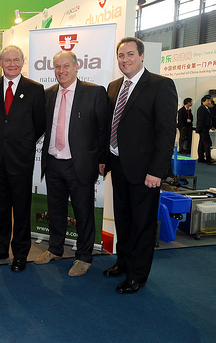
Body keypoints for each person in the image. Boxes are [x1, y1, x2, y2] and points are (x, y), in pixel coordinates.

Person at [104, 37, 177, 294]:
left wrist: (157, 171)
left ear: (142, 56)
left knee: (143, 225)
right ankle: (123, 263)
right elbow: (110, 127)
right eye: (121, 55)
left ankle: (138, 275)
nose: (125, 59)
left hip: (146, 172)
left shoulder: (160, 85)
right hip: (118, 166)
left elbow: (166, 133)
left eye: (130, 54)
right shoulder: (114, 87)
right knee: (123, 220)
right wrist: (105, 160)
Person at [34, 51, 109, 276]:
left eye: (66, 66)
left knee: (83, 213)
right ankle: (55, 249)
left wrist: (102, 159)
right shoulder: (47, 95)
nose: (61, 71)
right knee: (55, 210)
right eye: (57, 66)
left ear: (77, 67)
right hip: (53, 162)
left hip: (80, 165)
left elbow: (103, 130)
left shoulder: (94, 92)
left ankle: (84, 257)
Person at [0, 45, 45, 272]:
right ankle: (0, 249)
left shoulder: (35, 89)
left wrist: (22, 142)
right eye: (7, 60)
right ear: (0, 62)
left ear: (23, 62)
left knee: (21, 209)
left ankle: (20, 253)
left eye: (16, 60)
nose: (11, 64)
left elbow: (40, 124)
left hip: (21, 159)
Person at [196, 95, 214, 164]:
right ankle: (208, 159)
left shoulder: (206, 108)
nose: (209, 102)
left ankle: (201, 158)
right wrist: (202, 129)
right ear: (203, 101)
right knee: (207, 144)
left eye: (210, 101)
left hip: (204, 129)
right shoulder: (201, 109)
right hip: (203, 129)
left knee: (201, 144)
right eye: (208, 101)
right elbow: (201, 120)